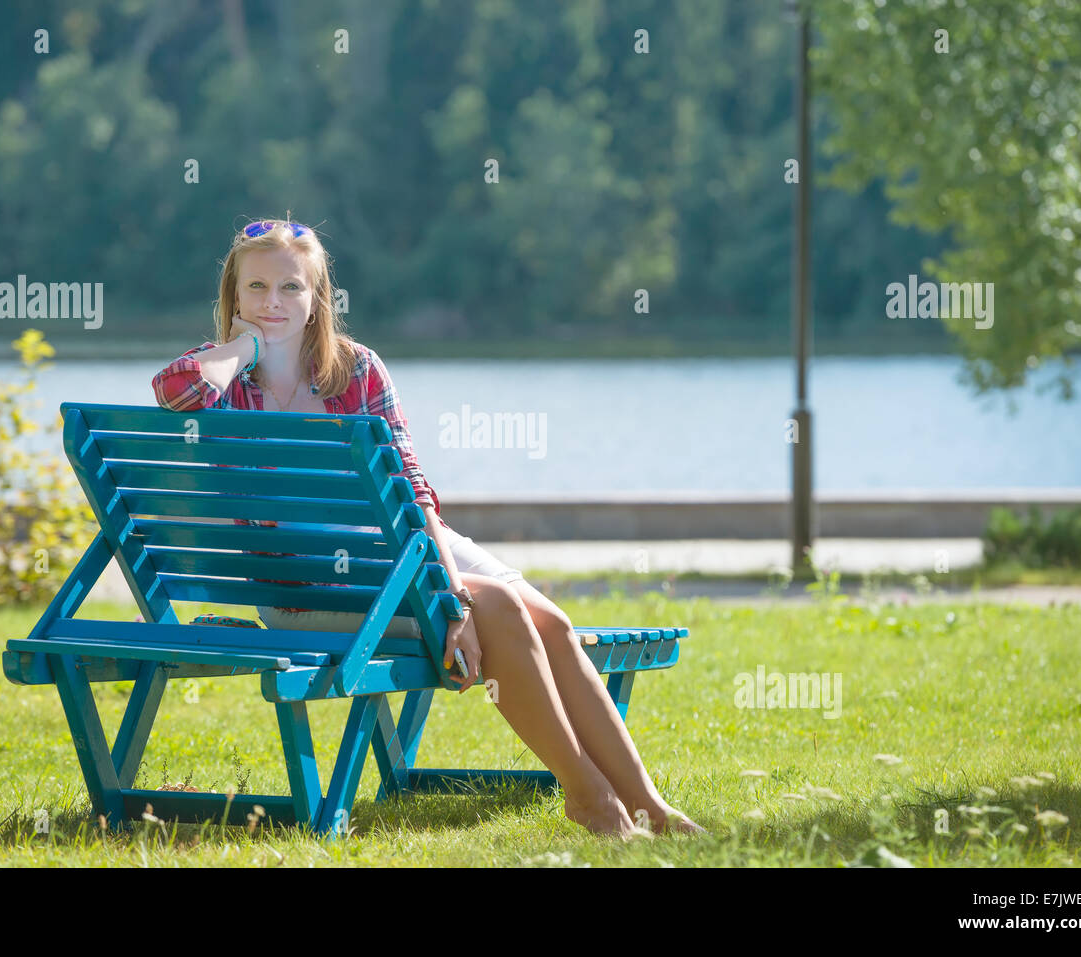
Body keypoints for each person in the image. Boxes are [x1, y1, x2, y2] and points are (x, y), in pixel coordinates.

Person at [151, 215, 704, 839]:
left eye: (291, 288)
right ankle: (591, 800)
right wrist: (247, 346)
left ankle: (650, 808)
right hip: (306, 589)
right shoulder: (224, 387)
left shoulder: (356, 371)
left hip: (403, 550)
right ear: (233, 298)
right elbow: (170, 391)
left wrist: (446, 591)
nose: (273, 302)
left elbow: (415, 496)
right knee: (497, 607)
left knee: (552, 621)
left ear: (317, 299)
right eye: (255, 288)